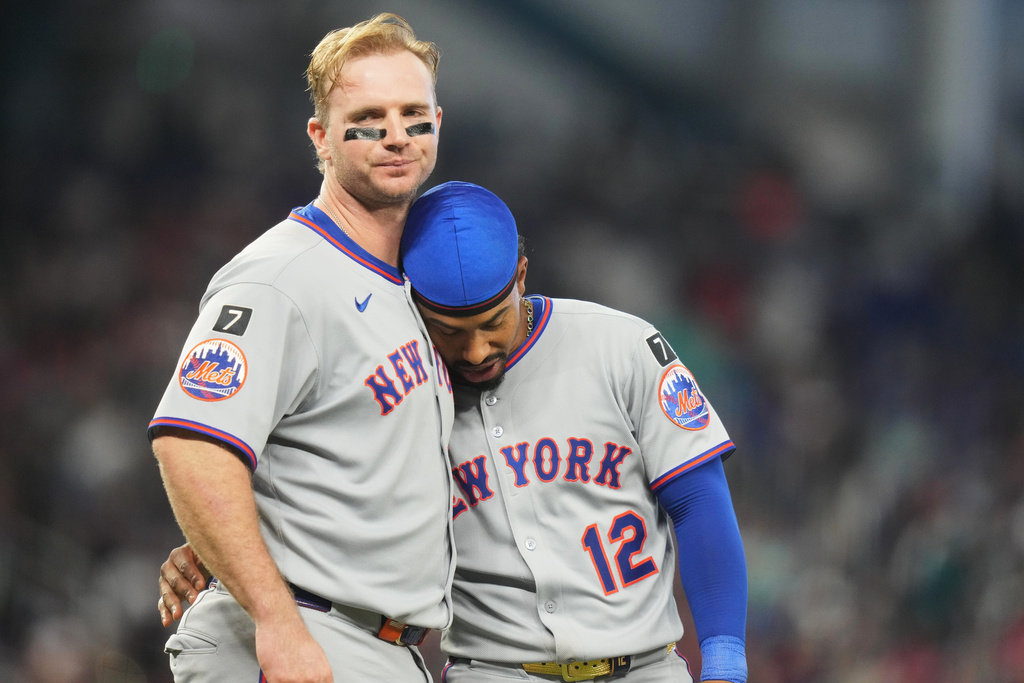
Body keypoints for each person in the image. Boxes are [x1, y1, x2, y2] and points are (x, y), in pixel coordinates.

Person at [160, 182, 749, 682]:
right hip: (491, 672)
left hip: (642, 666)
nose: (476, 350)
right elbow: (310, 480)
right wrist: (217, 545)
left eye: (494, 322)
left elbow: (697, 499)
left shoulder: (620, 347)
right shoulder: (402, 389)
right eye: (450, 330)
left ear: (522, 274)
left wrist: (723, 659)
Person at [148, 14, 456, 683]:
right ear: (320, 135)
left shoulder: (420, 287)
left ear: (438, 122)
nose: (397, 135)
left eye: (413, 114)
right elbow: (192, 444)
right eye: (369, 118)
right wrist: (275, 617)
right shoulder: (282, 275)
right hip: (299, 633)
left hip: (381, 646)